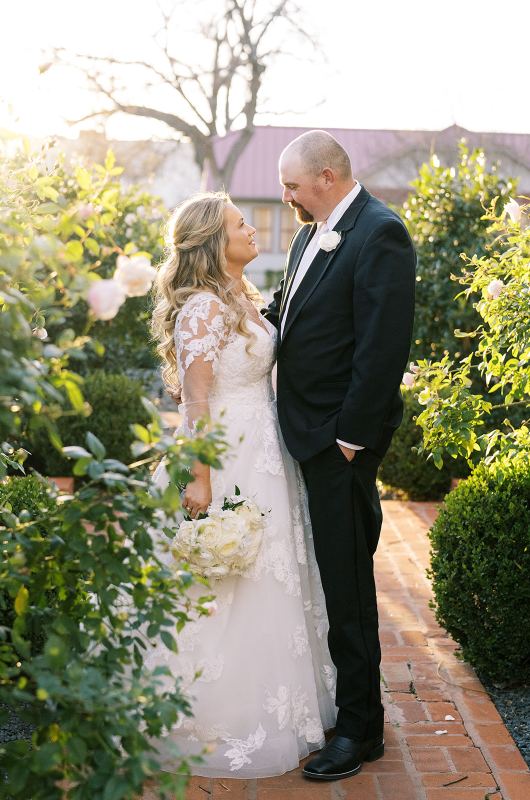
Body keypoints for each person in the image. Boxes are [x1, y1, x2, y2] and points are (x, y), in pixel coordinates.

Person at [148, 192, 336, 778]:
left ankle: (278, 701)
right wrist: (200, 479)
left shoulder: (242, 297)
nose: (255, 230)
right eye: (241, 224)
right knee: (220, 578)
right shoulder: (201, 309)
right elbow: (195, 399)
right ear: (213, 242)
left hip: (266, 447)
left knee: (267, 572)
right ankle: (211, 713)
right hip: (225, 454)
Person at [263, 130, 416, 781]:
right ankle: (352, 713)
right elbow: (293, 313)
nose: (287, 197)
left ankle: (359, 731)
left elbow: (383, 347)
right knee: (330, 579)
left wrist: (350, 440)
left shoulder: (381, 233)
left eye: (292, 186)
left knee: (347, 587)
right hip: (305, 434)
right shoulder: (310, 233)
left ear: (326, 176)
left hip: (337, 445)